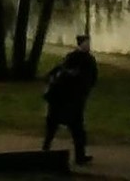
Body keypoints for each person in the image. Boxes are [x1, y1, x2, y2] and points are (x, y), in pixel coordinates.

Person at [42, 33, 98, 165]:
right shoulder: (74, 58)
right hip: (65, 99)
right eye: (86, 43)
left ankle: (79, 156)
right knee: (58, 127)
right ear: (80, 44)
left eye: (88, 43)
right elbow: (59, 71)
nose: (88, 45)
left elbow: (93, 77)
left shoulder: (86, 59)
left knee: (74, 129)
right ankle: (46, 151)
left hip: (71, 100)